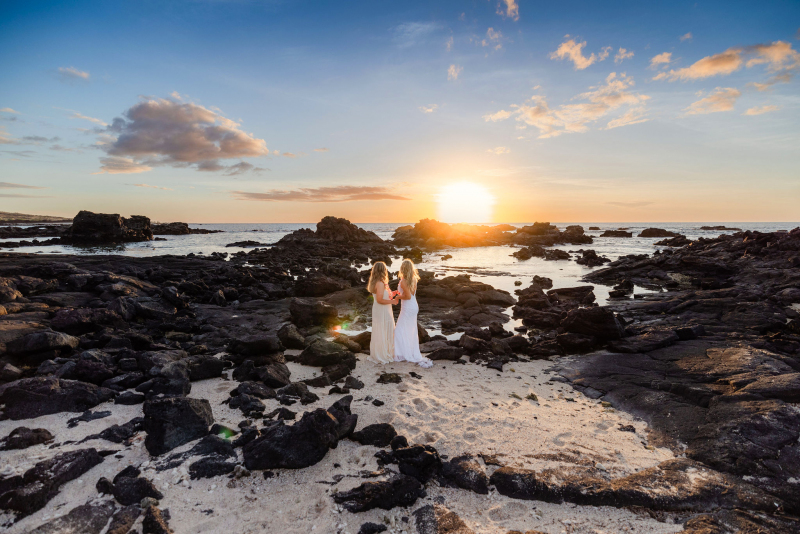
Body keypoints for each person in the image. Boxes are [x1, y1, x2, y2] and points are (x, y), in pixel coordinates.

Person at [393, 258, 433, 368]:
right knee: (409, 330)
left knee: (399, 331)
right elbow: (409, 293)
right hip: (413, 306)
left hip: (407, 307)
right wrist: (398, 292)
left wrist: (397, 296)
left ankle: (401, 354)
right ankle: (407, 352)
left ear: (403, 269)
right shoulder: (413, 279)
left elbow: (407, 296)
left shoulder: (404, 281)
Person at [367, 261, 397, 364]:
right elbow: (379, 300)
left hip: (384, 309)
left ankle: (386, 351)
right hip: (381, 310)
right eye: (385, 269)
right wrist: (392, 302)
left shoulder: (381, 282)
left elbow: (386, 295)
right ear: (382, 270)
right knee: (382, 330)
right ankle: (382, 354)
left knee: (384, 330)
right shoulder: (379, 283)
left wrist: (395, 293)